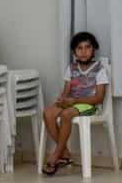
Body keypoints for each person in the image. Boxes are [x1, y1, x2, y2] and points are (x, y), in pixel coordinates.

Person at [39, 29, 110, 175]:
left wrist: (74, 101)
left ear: (93, 49)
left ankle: (55, 155)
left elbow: (99, 98)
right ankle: (65, 153)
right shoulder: (71, 69)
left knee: (67, 114)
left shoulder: (99, 70)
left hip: (90, 105)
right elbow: (66, 93)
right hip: (72, 103)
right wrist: (63, 101)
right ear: (74, 52)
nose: (84, 52)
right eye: (79, 48)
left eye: (87, 47)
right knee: (48, 113)